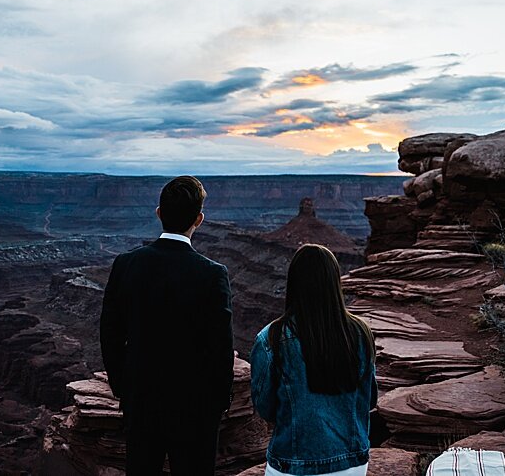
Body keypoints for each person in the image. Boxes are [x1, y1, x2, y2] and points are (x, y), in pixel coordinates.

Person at [99, 175, 235, 475]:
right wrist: (219, 402)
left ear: (159, 213)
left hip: (141, 402)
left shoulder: (126, 264)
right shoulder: (212, 275)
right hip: (196, 410)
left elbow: (109, 332)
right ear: (199, 219)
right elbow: (221, 347)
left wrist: (123, 386)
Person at [250, 244, 377, 476]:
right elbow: (369, 400)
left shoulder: (272, 338)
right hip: (351, 464)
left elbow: (265, 408)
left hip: (293, 464)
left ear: (294, 283)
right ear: (334, 283)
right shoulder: (361, 333)